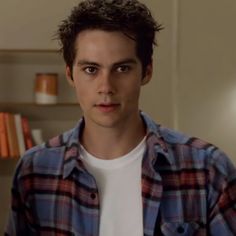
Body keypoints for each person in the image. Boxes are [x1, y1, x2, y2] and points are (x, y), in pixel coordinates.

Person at [5, 0, 236, 235]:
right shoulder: (34, 171)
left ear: (147, 71)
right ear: (70, 74)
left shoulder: (207, 168)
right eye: (91, 70)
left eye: (122, 68)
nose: (106, 87)